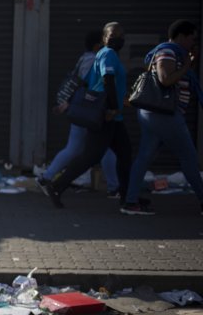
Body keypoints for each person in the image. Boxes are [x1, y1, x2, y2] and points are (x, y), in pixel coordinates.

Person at [42, 22, 133, 208]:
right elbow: (107, 80)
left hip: (113, 117)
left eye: (121, 35)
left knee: (124, 155)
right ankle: (57, 185)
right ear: (104, 39)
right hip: (106, 115)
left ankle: (128, 197)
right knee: (91, 156)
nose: (119, 39)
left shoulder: (104, 55)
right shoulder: (108, 54)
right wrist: (113, 107)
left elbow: (85, 83)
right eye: (114, 35)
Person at [121, 19, 203, 216]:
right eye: (192, 38)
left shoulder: (176, 54)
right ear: (181, 36)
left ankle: (130, 202)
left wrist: (188, 63)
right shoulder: (168, 52)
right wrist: (188, 65)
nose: (194, 42)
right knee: (189, 158)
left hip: (155, 114)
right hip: (164, 114)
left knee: (145, 157)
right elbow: (165, 79)